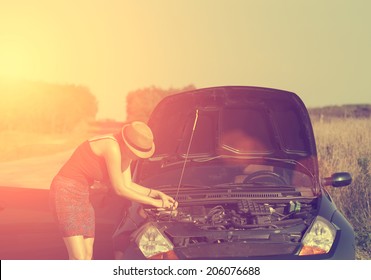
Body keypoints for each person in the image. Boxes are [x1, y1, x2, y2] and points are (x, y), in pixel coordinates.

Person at [49, 121, 177, 260]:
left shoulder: (126, 154)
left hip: (84, 195)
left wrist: (157, 194)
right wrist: (155, 203)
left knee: (87, 255)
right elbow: (119, 189)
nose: (137, 156)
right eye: (136, 152)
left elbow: (128, 184)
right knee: (78, 258)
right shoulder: (111, 146)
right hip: (65, 191)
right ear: (128, 144)